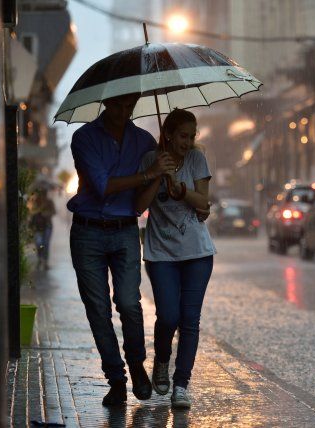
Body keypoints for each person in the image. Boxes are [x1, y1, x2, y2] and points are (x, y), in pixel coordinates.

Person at [67, 92, 176, 406]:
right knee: (98, 311)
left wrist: (163, 163)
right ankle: (116, 378)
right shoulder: (84, 138)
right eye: (118, 105)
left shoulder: (144, 142)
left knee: (129, 302)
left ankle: (137, 363)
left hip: (125, 230)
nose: (124, 111)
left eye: (130, 106)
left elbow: (150, 194)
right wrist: (147, 173)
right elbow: (101, 185)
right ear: (105, 103)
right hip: (88, 232)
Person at [134, 108, 216, 409]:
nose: (188, 141)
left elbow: (203, 203)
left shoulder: (196, 159)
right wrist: (156, 174)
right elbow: (138, 206)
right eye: (183, 135)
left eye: (192, 136)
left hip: (197, 252)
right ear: (168, 134)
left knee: (189, 320)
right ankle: (162, 360)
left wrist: (181, 189)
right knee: (168, 316)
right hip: (161, 253)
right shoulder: (148, 160)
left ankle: (181, 384)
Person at [29, 189, 56, 270]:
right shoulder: (36, 201)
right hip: (38, 226)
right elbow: (32, 211)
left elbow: (54, 211)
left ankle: (45, 262)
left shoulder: (49, 202)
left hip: (47, 225)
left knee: (46, 244)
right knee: (39, 243)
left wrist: (45, 214)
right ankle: (40, 258)